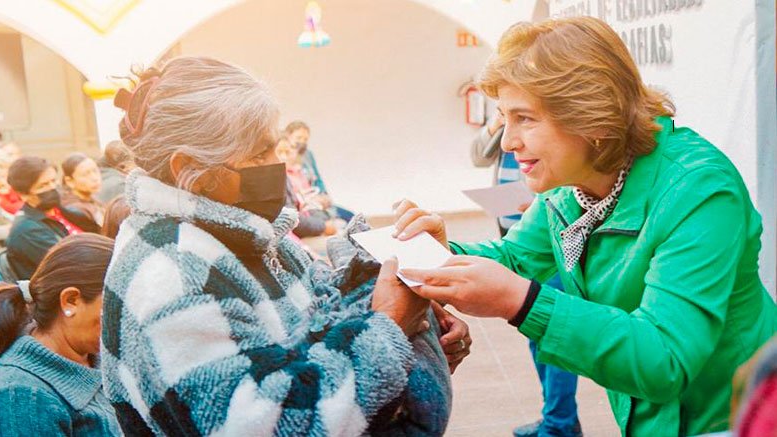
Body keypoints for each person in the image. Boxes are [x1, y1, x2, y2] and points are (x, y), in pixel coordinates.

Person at [393, 16, 777, 436]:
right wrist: (436, 256)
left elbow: (665, 360)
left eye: (525, 118)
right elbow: (514, 257)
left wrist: (522, 302)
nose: (507, 141)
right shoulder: (569, 186)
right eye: (504, 117)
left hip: (739, 419)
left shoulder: (698, 189)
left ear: (590, 117)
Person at [102, 56, 467, 436]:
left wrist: (410, 308)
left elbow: (320, 325)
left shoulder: (247, 235)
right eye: (259, 153)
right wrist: (389, 326)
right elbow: (274, 426)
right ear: (191, 170)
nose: (276, 166)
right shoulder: (171, 275)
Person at [472, 117, 581, 436]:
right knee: (536, 331)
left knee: (554, 333)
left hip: (550, 239)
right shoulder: (504, 127)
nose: (511, 140)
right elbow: (478, 155)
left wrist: (542, 202)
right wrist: (495, 124)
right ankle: (558, 417)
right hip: (517, 237)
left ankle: (559, 425)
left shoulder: (549, 121)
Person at [0, 233, 122, 436]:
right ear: (71, 301)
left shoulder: (96, 357)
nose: (123, 323)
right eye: (117, 308)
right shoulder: (20, 397)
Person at [4, 157, 99, 280]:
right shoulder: (26, 230)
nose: (52, 187)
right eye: (43, 185)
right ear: (24, 194)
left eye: (53, 181)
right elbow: (70, 265)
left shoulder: (64, 212)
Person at [285, 121, 354, 222]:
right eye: (298, 138)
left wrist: (324, 195)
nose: (302, 142)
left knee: (352, 217)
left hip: (317, 200)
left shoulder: (308, 155)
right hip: (306, 206)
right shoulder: (285, 159)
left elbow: (317, 178)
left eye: (305, 139)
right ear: (288, 136)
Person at [61, 153, 105, 227]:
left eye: (95, 171)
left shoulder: (93, 200)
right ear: (70, 181)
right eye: (85, 174)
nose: (95, 178)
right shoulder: (74, 211)